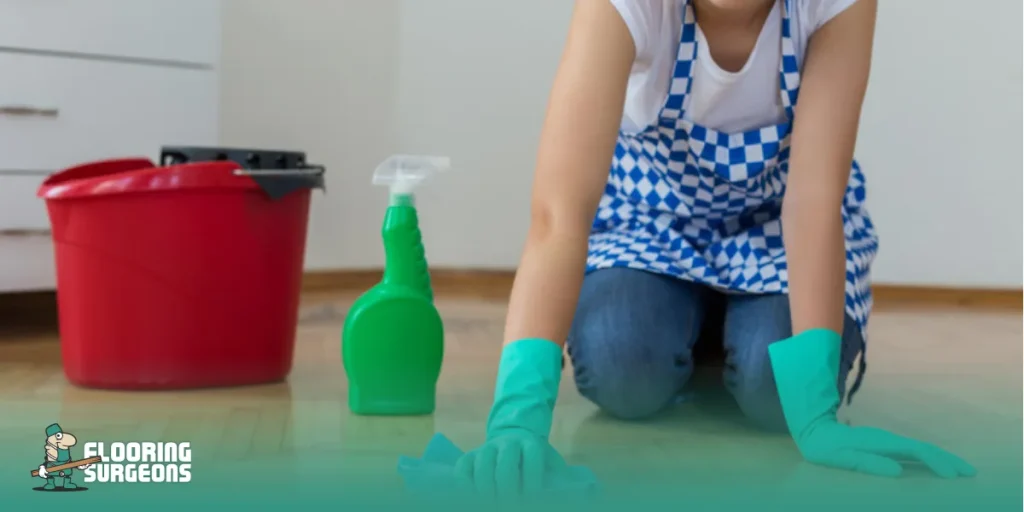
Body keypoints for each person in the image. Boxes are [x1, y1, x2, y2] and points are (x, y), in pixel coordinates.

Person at [452, 0, 976, 498]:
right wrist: (516, 418)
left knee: (777, 394)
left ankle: (726, 345)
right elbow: (559, 214)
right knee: (621, 364)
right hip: (651, 228)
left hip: (776, 233)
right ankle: (701, 339)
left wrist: (815, 417)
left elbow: (812, 204)